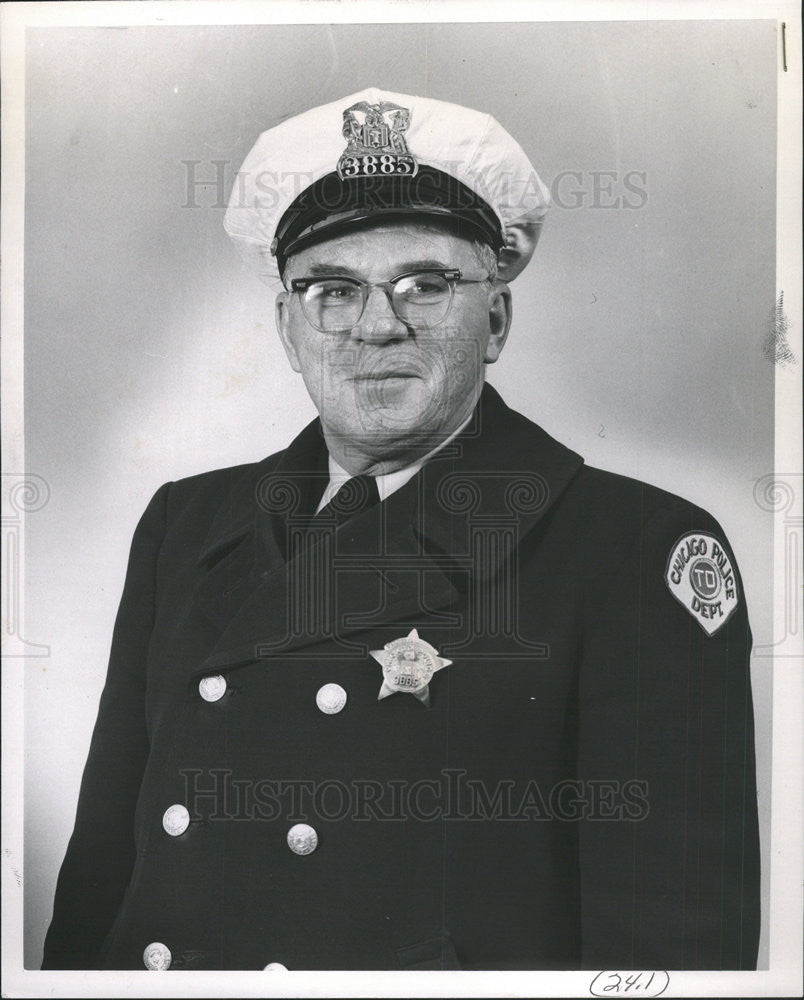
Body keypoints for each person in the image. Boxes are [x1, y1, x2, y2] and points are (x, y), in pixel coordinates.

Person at [42, 87, 760, 972]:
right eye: (332, 291)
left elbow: (673, 952)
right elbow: (102, 873)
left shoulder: (636, 549)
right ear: (286, 328)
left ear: (494, 318)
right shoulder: (184, 522)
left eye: (426, 284)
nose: (378, 326)